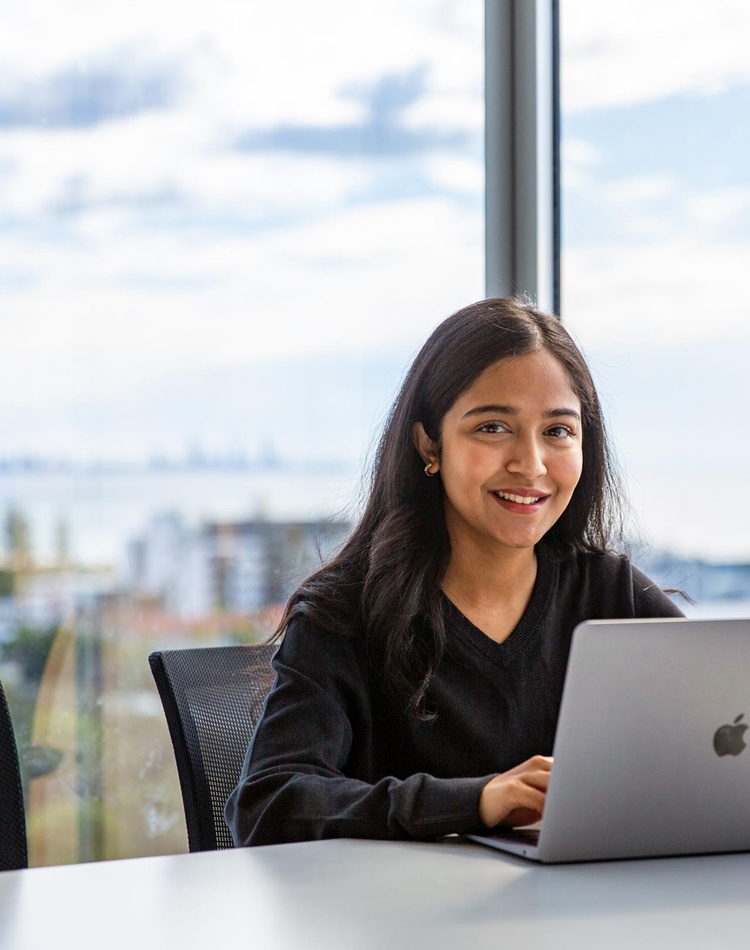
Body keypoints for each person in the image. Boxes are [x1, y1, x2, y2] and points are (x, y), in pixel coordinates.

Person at [225, 297, 683, 847]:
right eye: (493, 427)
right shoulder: (345, 613)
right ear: (429, 443)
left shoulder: (611, 594)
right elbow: (270, 804)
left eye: (558, 431)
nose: (531, 464)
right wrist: (477, 801)